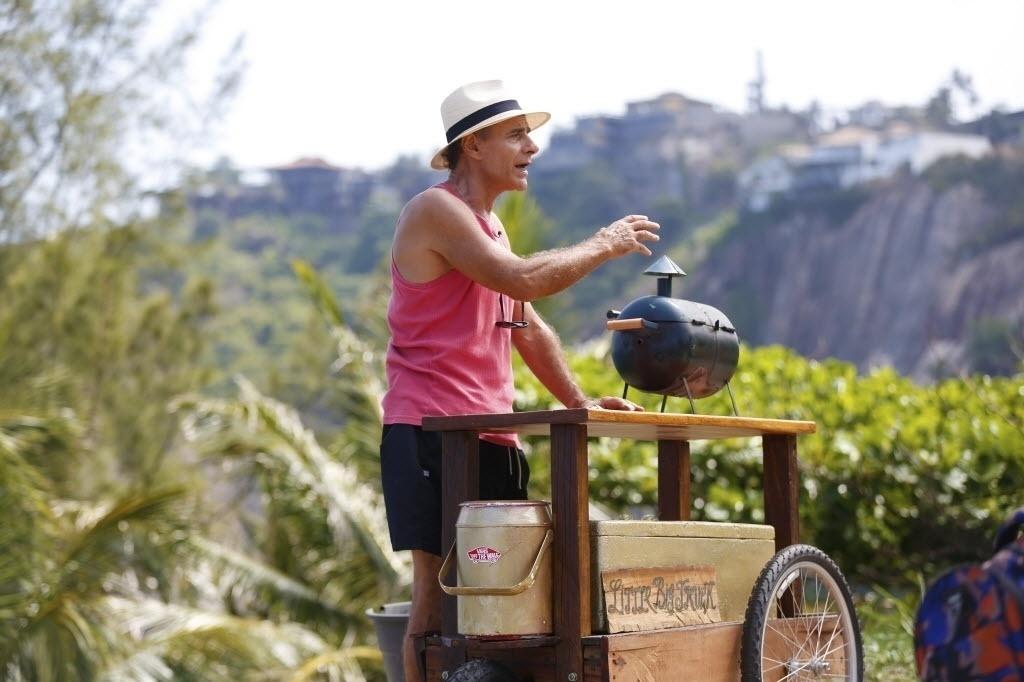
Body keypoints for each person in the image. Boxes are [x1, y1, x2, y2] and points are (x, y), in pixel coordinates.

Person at [379, 80, 660, 681]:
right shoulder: (435, 211)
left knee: (505, 597)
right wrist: (604, 244)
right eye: (516, 135)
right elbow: (523, 281)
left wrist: (581, 403)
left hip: (492, 435)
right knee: (438, 597)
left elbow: (527, 328)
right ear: (474, 145)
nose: (532, 147)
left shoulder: (491, 229)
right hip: (430, 433)